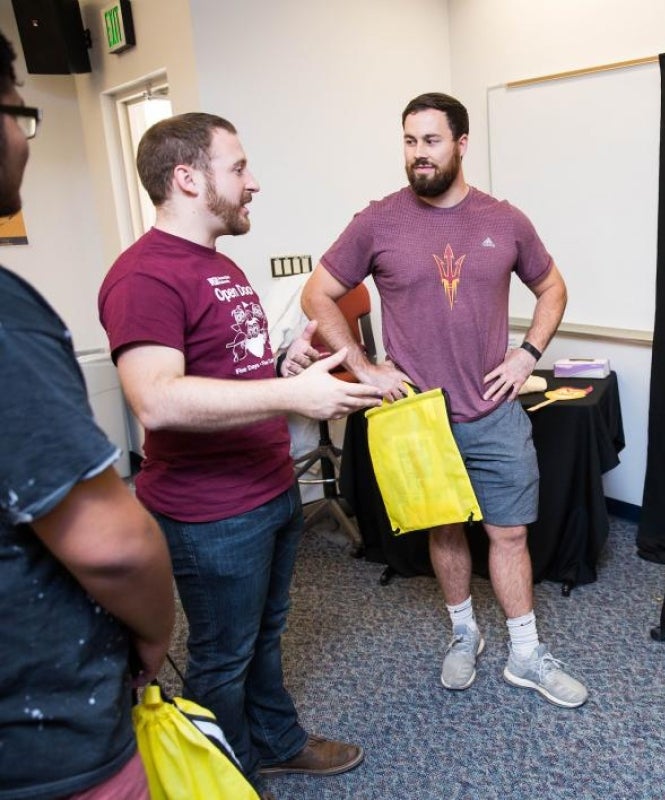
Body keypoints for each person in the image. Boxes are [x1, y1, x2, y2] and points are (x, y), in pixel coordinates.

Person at [98, 112, 383, 791]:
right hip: (211, 515)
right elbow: (158, 399)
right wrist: (295, 401)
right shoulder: (144, 277)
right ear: (188, 178)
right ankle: (224, 777)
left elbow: (223, 377)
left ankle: (275, 740)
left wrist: (283, 367)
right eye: (239, 168)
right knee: (222, 659)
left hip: (267, 489)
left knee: (265, 635)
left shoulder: (217, 264)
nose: (253, 183)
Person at [302, 92, 586, 708]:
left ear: (460, 144)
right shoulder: (377, 221)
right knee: (445, 530)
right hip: (417, 419)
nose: (418, 155)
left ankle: (526, 654)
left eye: (431, 141)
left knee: (509, 536)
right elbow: (318, 294)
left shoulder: (505, 221)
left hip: (493, 413)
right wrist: (362, 365)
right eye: (409, 141)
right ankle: (464, 634)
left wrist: (527, 354)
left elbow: (552, 287)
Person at [0, 33, 175, 799]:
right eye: (17, 113)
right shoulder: (10, 317)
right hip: (46, 751)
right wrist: (156, 633)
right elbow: (112, 545)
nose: (22, 139)